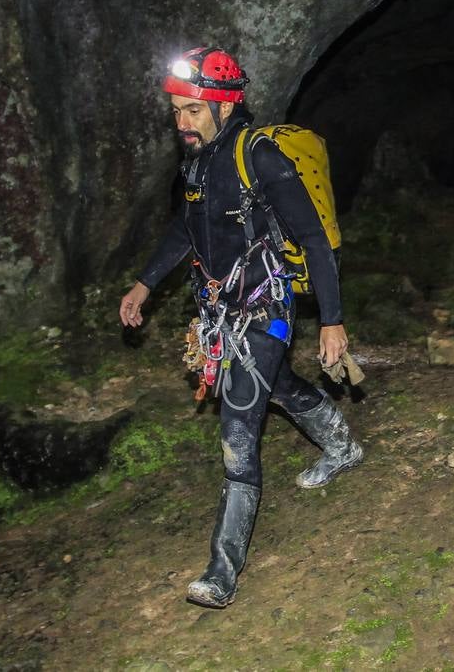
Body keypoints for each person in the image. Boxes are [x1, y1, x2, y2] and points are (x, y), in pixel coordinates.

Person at [119, 45, 363, 607]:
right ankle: (341, 446)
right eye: (177, 111)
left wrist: (331, 321)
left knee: (237, 427)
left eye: (193, 111)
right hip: (219, 312)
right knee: (272, 386)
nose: (182, 122)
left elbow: (317, 243)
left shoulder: (261, 159)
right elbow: (186, 228)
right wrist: (144, 283)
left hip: (266, 306)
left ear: (226, 106)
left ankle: (221, 574)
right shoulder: (197, 163)